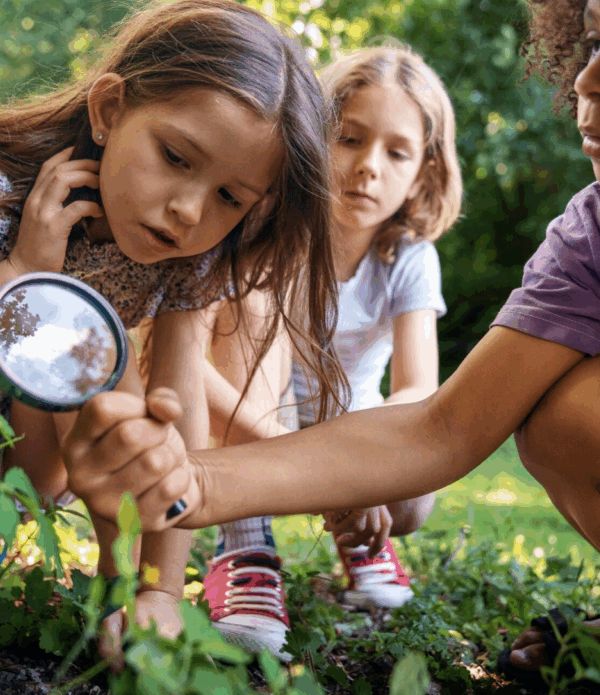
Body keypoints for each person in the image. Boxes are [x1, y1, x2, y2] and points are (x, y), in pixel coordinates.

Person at [64, 0, 600, 686]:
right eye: (593, 38)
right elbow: (443, 426)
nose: (591, 79)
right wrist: (185, 480)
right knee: (571, 409)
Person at [0, 0, 346, 658]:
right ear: (110, 110)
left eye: (229, 197)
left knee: (101, 364)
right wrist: (17, 270)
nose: (187, 209)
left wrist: (161, 592)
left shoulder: (185, 263)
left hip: (45, 455)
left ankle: (118, 591)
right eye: (176, 156)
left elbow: (175, 422)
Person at [192, 46, 463, 659]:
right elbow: (193, 371)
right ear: (315, 137)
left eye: (396, 153)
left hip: (349, 427)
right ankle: (245, 543)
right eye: (349, 139)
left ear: (424, 172)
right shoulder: (268, 228)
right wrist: (321, 477)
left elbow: (419, 388)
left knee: (415, 496)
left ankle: (361, 536)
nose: (369, 167)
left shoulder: (409, 257)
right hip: (251, 417)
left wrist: (363, 474)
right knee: (252, 315)